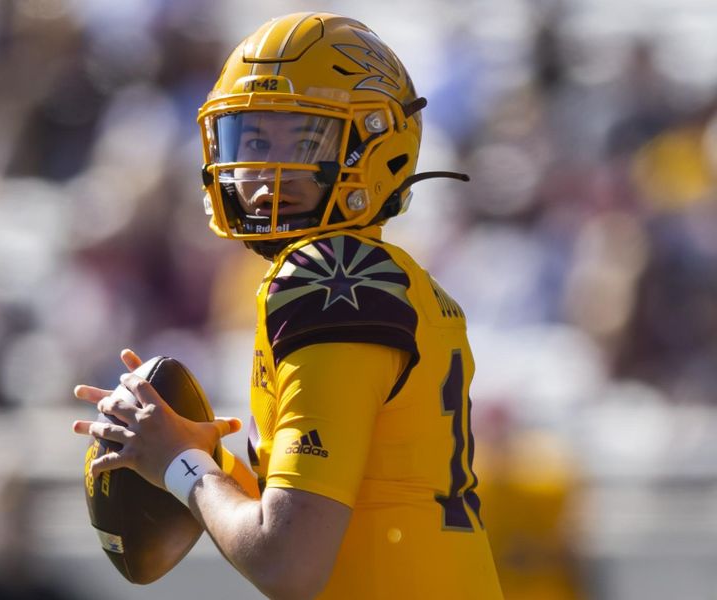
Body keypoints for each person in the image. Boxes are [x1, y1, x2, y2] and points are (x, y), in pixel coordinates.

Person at [73, 12, 503, 599]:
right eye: (252, 139)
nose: (266, 171)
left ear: (377, 145)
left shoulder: (328, 280)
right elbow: (340, 504)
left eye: (305, 139)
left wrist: (183, 467)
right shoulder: (386, 279)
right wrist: (203, 460)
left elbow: (287, 561)